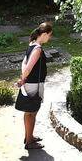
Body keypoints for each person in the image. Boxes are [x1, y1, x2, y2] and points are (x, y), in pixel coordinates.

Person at [17, 21, 53, 150]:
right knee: (31, 112)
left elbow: (23, 63)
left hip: (30, 83)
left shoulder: (32, 44)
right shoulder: (37, 49)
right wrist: (23, 79)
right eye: (49, 35)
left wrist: (23, 78)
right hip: (33, 85)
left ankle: (29, 136)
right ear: (43, 34)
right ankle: (30, 142)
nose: (50, 37)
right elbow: (28, 67)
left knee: (30, 112)